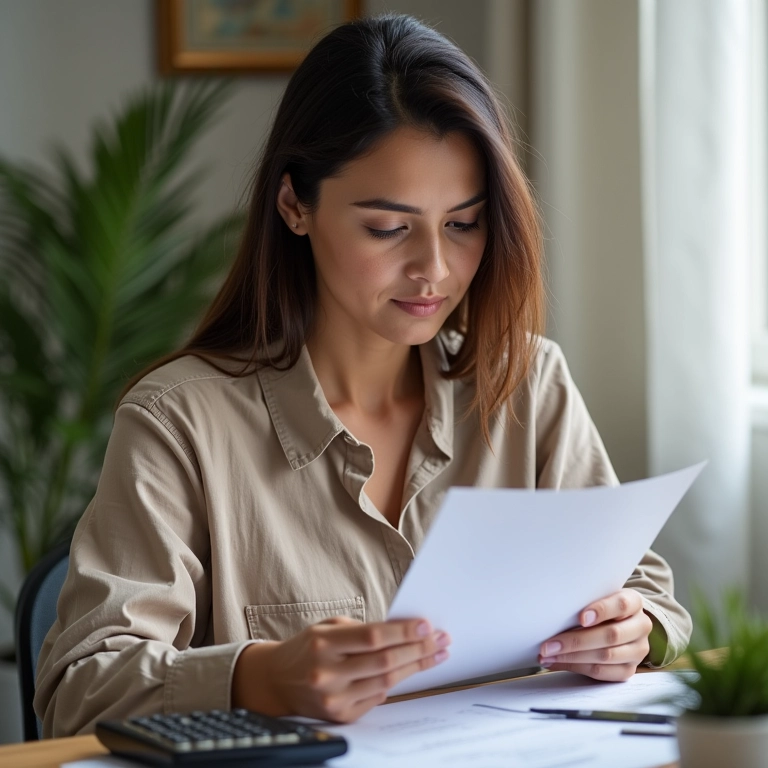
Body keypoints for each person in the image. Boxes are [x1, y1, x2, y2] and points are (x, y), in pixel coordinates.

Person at [35, 13, 692, 737]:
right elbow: (78, 690)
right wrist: (261, 676)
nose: (434, 269)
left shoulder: (526, 383)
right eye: (388, 227)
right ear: (295, 205)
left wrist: (636, 628)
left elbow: (643, 590)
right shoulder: (180, 420)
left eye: (464, 224)